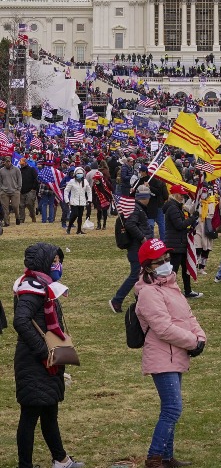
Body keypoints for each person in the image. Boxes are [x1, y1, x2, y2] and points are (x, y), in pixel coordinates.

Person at [135, 238, 207, 468]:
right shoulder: (148, 293)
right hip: (162, 357)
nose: (166, 263)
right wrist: (192, 342)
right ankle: (154, 457)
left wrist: (200, 337)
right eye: (159, 261)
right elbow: (163, 328)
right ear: (148, 267)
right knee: (173, 408)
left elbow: (188, 316)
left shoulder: (170, 285)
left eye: (167, 258)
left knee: (170, 408)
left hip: (176, 354)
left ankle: (167, 457)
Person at [13, 241, 83, 468]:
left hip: (45, 361)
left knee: (49, 411)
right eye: (54, 261)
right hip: (34, 362)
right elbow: (21, 321)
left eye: (59, 261)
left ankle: (61, 460)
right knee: (30, 416)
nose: (58, 265)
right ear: (43, 262)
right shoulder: (32, 288)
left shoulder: (44, 285)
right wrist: (44, 352)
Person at [109, 186, 152, 314]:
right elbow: (130, 225)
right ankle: (117, 300)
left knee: (141, 275)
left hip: (138, 247)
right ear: (145, 197)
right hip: (136, 248)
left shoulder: (136, 208)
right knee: (135, 275)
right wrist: (143, 238)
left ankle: (141, 300)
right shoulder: (136, 209)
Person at [163, 185, 202, 299]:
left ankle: (188, 290)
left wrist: (189, 229)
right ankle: (168, 291)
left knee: (185, 269)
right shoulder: (173, 208)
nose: (182, 197)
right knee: (173, 270)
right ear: (174, 194)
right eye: (180, 195)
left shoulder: (176, 207)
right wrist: (192, 218)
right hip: (175, 244)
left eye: (183, 195)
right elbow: (179, 225)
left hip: (179, 242)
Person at [64, 167, 92, 235]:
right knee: (74, 214)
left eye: (81, 173)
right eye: (78, 173)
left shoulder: (85, 181)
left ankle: (79, 230)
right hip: (74, 201)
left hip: (82, 201)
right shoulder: (72, 181)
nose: (80, 175)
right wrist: (67, 200)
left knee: (80, 216)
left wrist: (89, 200)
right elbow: (66, 191)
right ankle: (69, 227)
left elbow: (89, 191)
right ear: (75, 174)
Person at [0, 155, 22, 226]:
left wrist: (18, 189)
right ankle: (6, 222)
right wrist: (1, 189)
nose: (8, 163)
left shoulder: (16, 169)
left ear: (11, 162)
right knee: (5, 208)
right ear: (4, 162)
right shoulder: (1, 170)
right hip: (4, 191)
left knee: (15, 206)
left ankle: (17, 217)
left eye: (9, 161)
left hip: (15, 191)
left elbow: (19, 179)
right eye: (6, 162)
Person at [19, 158, 38, 223]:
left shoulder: (32, 169)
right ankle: (21, 219)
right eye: (21, 164)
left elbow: (36, 179)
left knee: (29, 204)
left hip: (30, 190)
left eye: (22, 164)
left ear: (26, 163)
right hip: (21, 190)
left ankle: (32, 215)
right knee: (21, 205)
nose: (21, 165)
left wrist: (34, 188)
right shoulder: (19, 170)